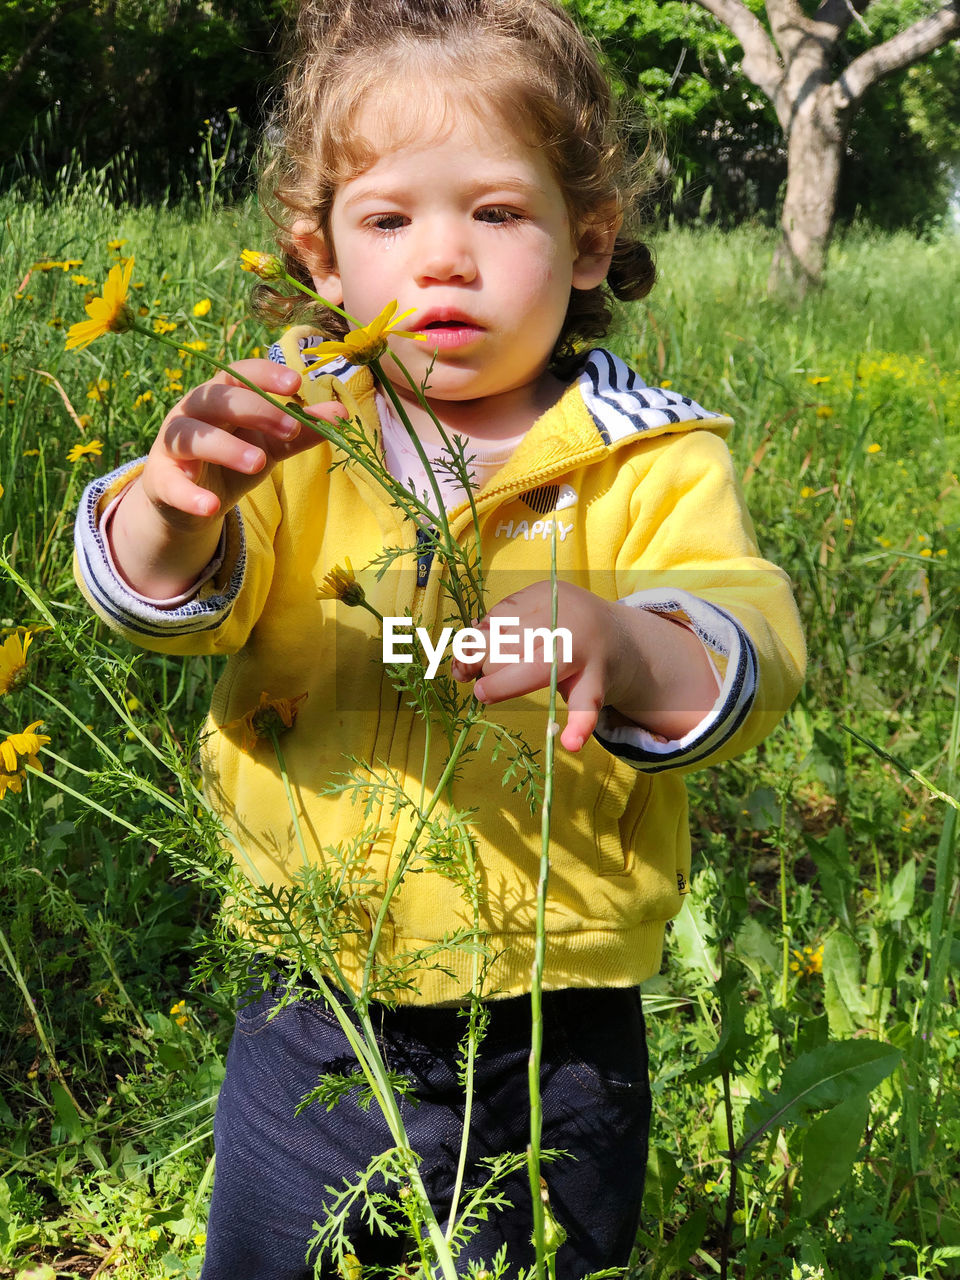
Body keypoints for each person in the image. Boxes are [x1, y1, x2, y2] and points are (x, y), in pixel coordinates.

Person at [74, 1, 805, 1275]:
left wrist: (624, 643)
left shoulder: (652, 457)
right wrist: (171, 500)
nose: (444, 260)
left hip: (556, 1013)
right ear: (320, 259)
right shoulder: (294, 431)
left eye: (498, 213)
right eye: (390, 219)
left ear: (590, 242)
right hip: (311, 997)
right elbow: (162, 594)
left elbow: (746, 637)